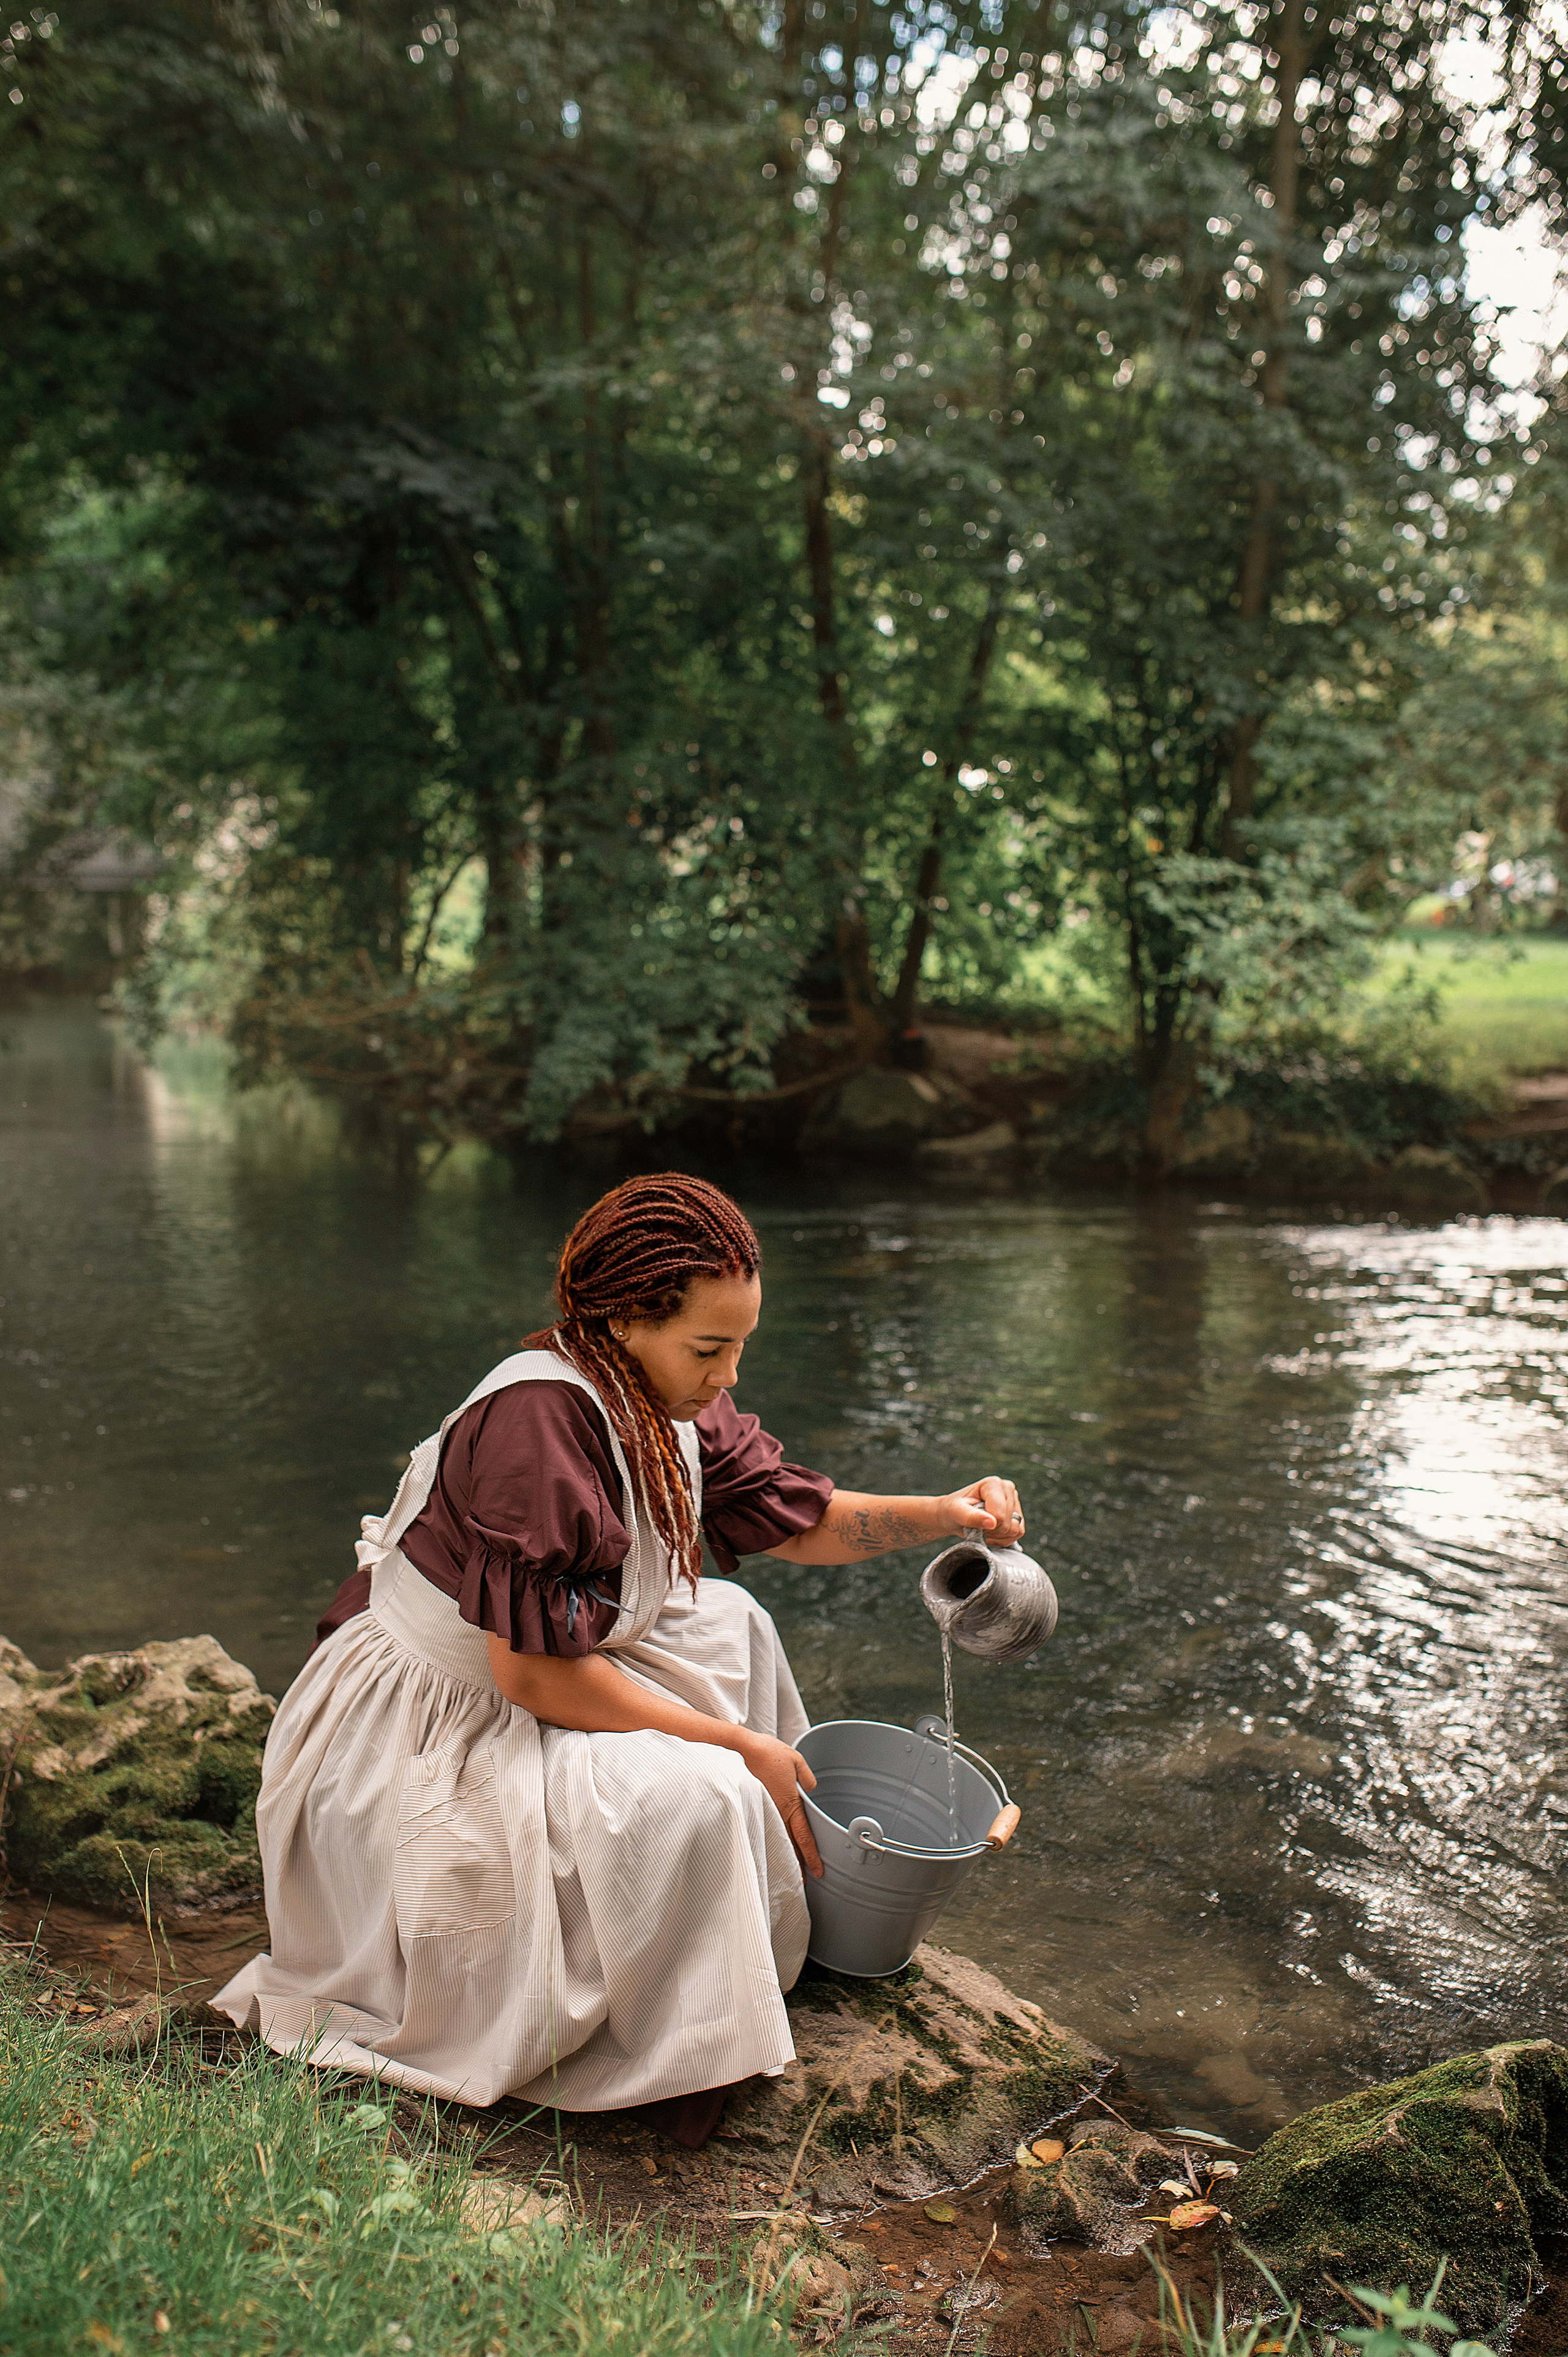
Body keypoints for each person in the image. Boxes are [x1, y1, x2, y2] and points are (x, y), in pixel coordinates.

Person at [215, 1175, 1023, 2144]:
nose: (728, 1376)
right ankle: (669, 2038)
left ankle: (734, 1933)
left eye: (740, 1347)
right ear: (628, 1320)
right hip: (437, 1711)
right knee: (712, 1791)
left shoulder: (661, 1391)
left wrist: (947, 1515)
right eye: (710, 1349)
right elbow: (532, 1676)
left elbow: (797, 1520)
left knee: (733, 1623)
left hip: (542, 1660)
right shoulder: (539, 1425)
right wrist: (735, 1745)